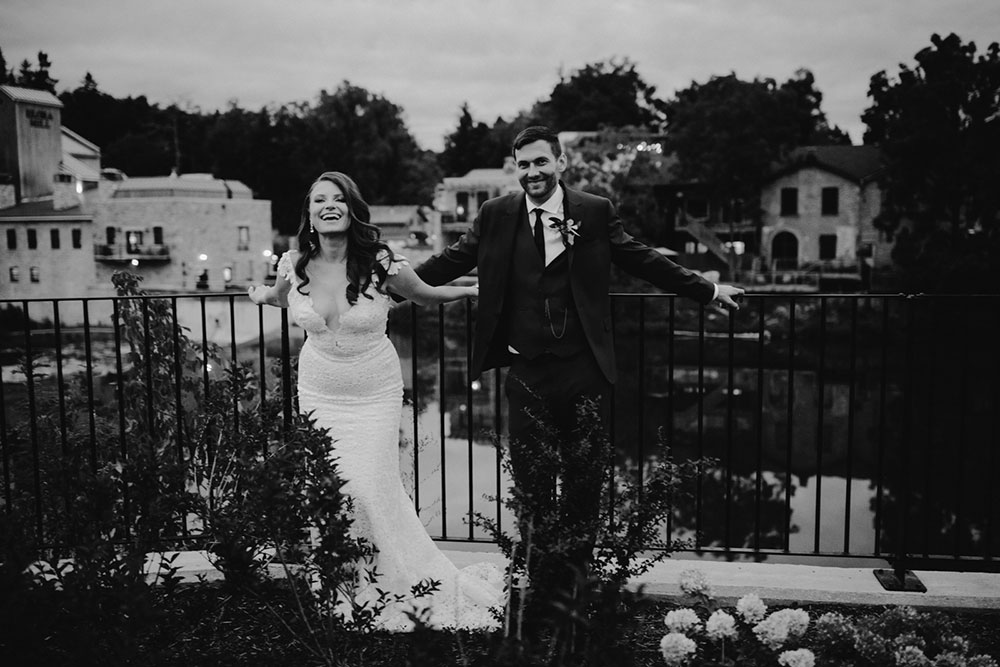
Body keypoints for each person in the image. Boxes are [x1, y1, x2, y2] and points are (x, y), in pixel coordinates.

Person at [413, 126, 745, 597]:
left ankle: (575, 579)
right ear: (516, 169)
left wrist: (706, 289)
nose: (532, 172)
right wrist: (387, 283)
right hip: (524, 368)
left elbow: (640, 258)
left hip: (583, 366)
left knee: (584, 476)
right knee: (531, 481)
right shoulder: (495, 214)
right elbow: (449, 261)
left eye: (541, 162)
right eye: (524, 164)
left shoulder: (593, 211)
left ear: (560, 163)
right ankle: (538, 577)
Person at [248, 171, 502, 631]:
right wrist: (259, 295)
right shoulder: (294, 263)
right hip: (319, 392)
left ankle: (388, 580)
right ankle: (343, 578)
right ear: (308, 214)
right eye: (319, 200)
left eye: (338, 199)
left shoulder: (381, 263)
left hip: (373, 394)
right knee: (330, 489)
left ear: (351, 209)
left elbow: (423, 295)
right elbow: (278, 297)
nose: (329, 206)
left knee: (368, 485)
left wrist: (467, 290)